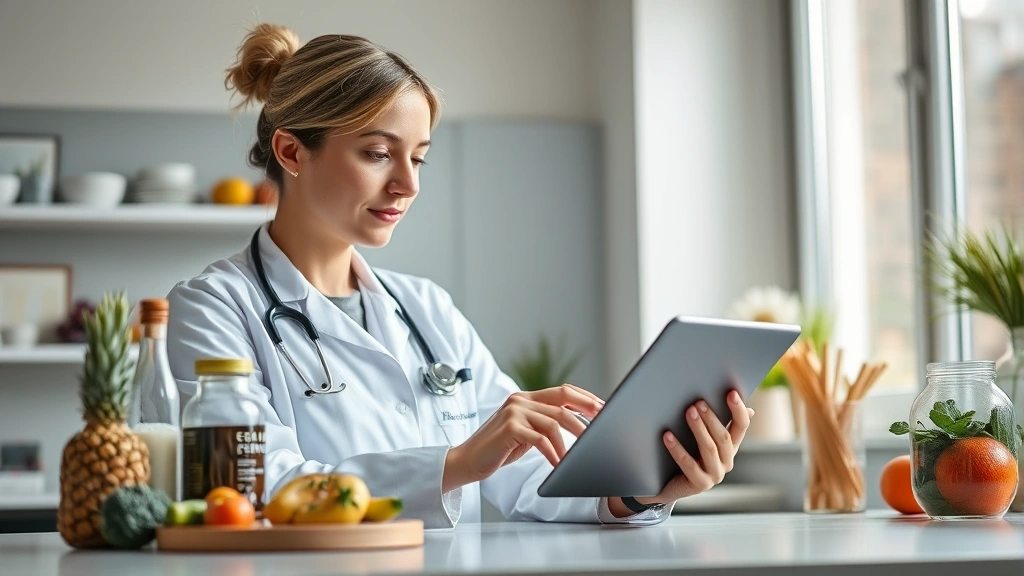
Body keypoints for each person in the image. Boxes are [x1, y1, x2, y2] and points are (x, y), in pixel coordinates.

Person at [166, 23, 755, 528]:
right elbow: (244, 494)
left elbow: (531, 477)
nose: (408, 184)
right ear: (292, 153)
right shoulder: (214, 308)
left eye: (417, 157)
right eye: (378, 153)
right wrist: (456, 465)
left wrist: (637, 490)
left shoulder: (425, 309)